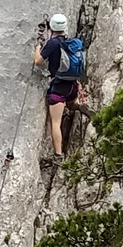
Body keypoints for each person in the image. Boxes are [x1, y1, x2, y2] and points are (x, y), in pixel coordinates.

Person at [34, 14, 90, 163]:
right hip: (72, 86)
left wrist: (37, 48)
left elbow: (38, 61)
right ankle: (78, 106)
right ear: (64, 27)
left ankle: (58, 155)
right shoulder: (71, 43)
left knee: (56, 122)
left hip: (58, 87)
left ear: (52, 27)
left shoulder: (52, 44)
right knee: (70, 105)